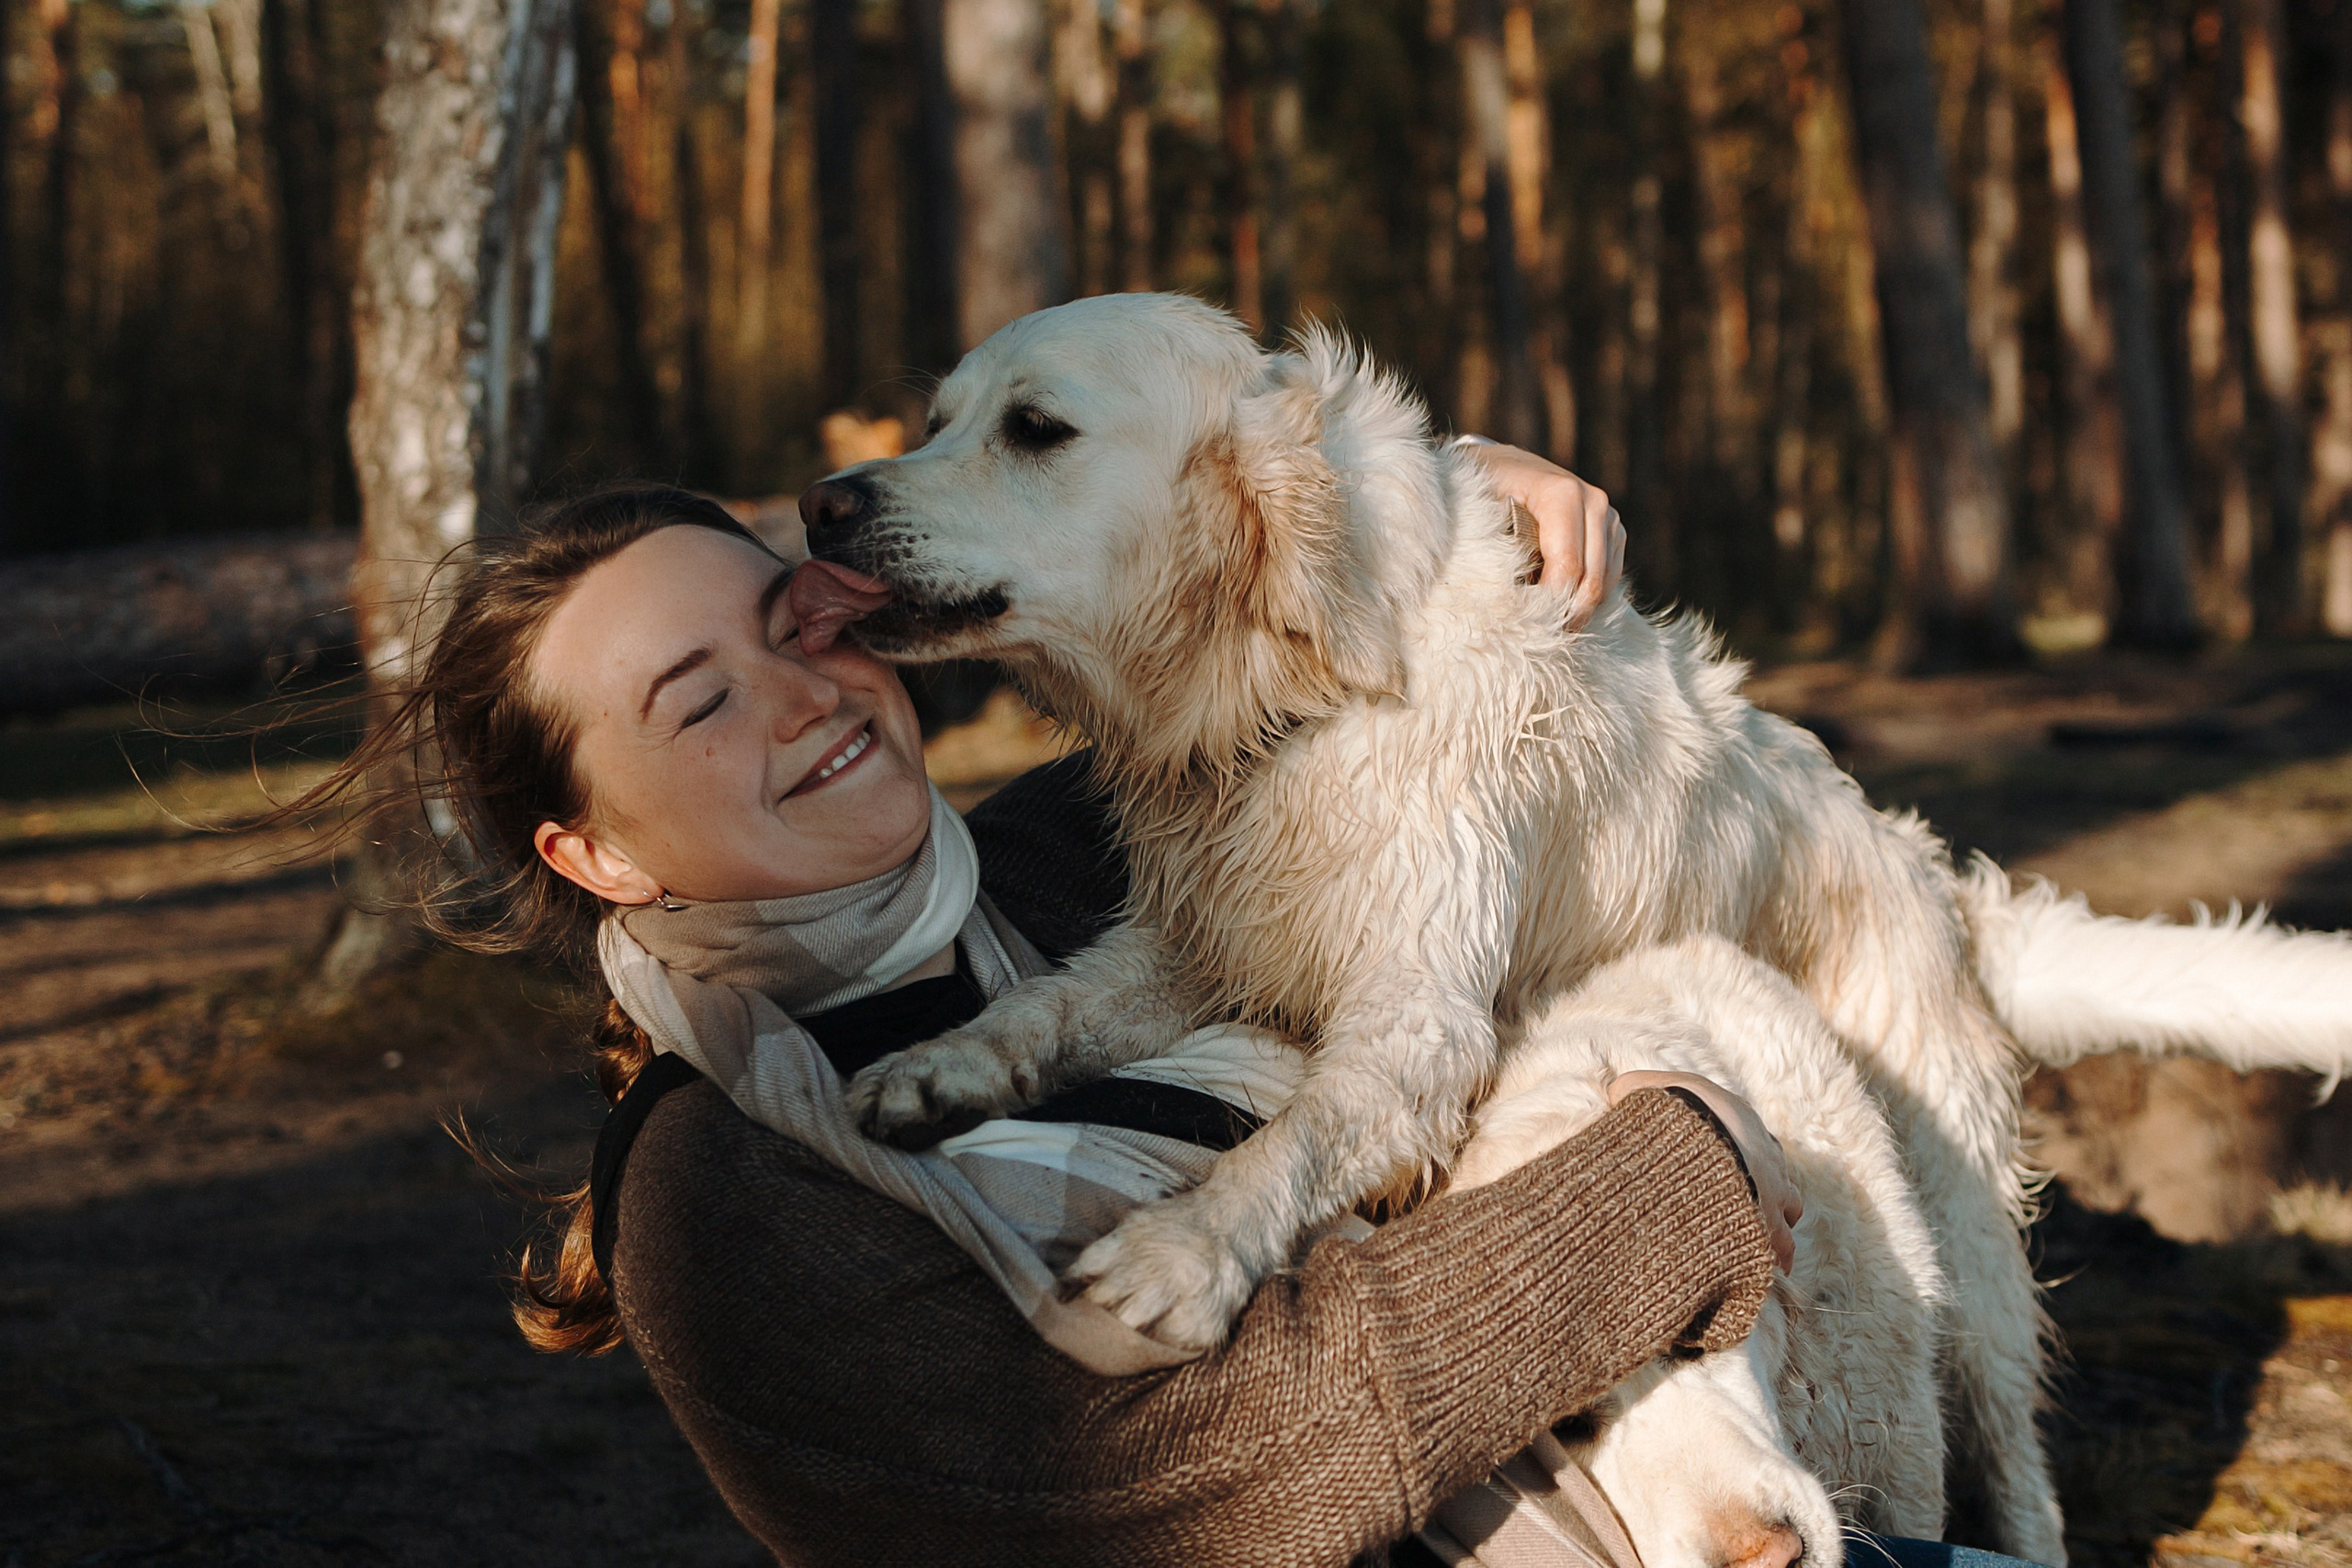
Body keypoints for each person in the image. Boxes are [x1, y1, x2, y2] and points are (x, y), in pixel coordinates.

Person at [307, 451, 1816, 1567]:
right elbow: (1211, 1472)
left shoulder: (1090, 839)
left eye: (796, 627)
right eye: (699, 704)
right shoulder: (721, 1201)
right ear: (598, 855)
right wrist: (1683, 1176)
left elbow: (1292, 648)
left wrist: (1432, 496)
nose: (804, 696)